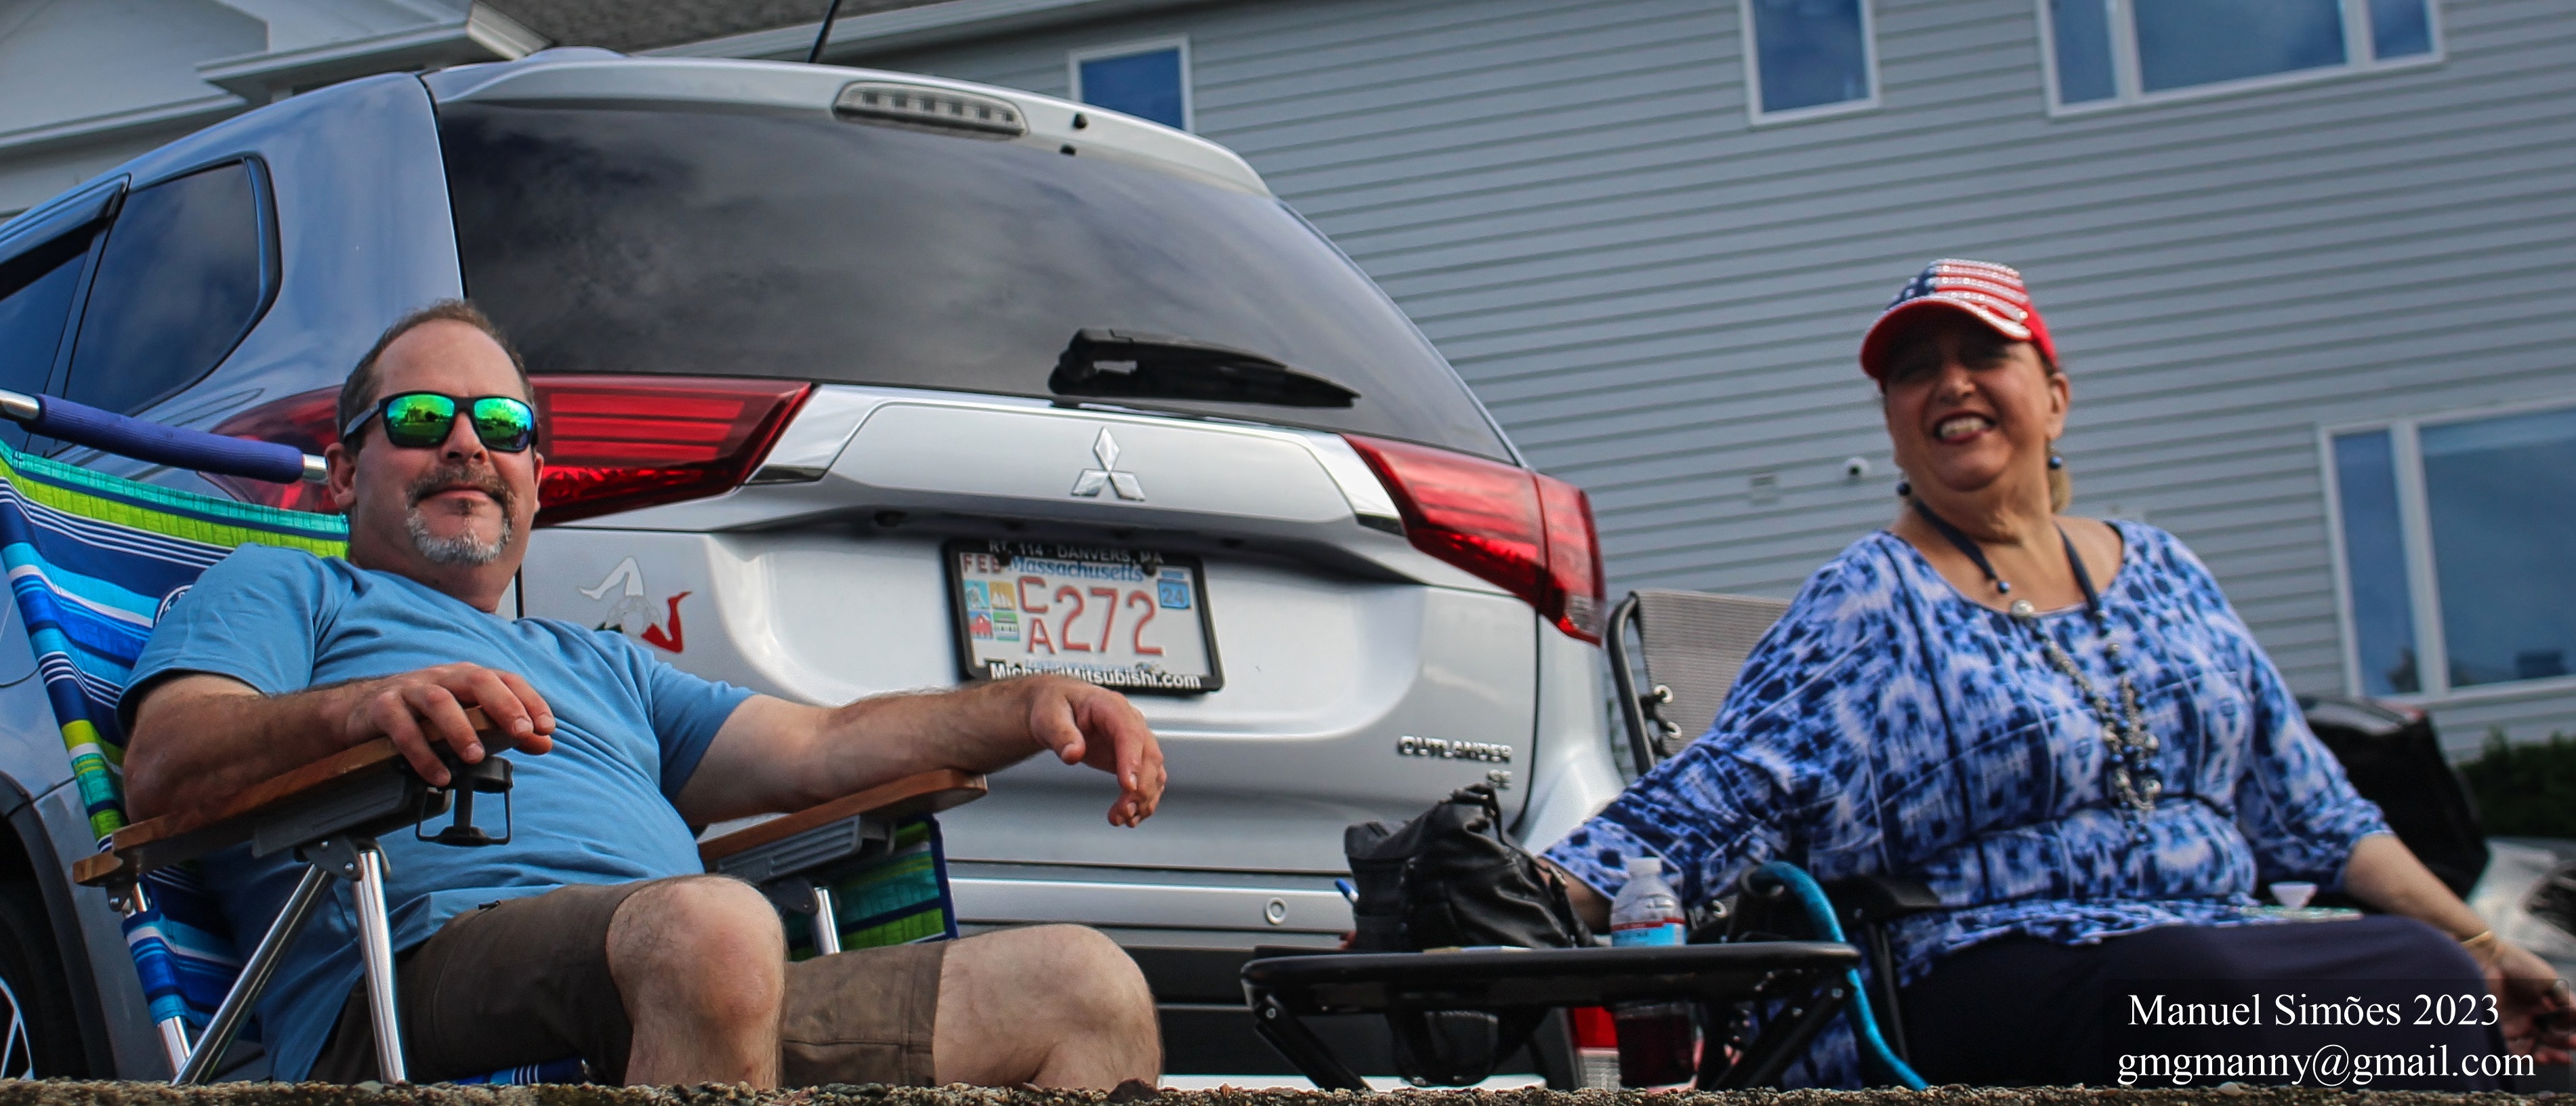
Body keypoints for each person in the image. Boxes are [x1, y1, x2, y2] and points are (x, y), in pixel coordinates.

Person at [1541, 260, 2574, 1087]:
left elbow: (2317, 813)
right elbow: (1724, 793)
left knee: (2431, 977)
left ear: (2055, 396)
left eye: (1983, 355)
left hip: (2208, 943)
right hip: (1969, 958)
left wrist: (2485, 947)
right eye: (1913, 371)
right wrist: (1533, 897)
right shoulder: (1872, 598)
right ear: (1893, 422)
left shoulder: (2166, 572)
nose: (1950, 383)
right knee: (2186, 992)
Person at [119, 301, 1170, 1088]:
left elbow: (820, 746)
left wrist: (1024, 705)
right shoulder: (287, 589)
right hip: (416, 985)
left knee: (1085, 987)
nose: (467, 444)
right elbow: (167, 764)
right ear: (346, 473)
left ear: (535, 480)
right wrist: (355, 712)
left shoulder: (602, 663)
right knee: (712, 929)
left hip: (707, 987)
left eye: (503, 425)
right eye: (421, 417)